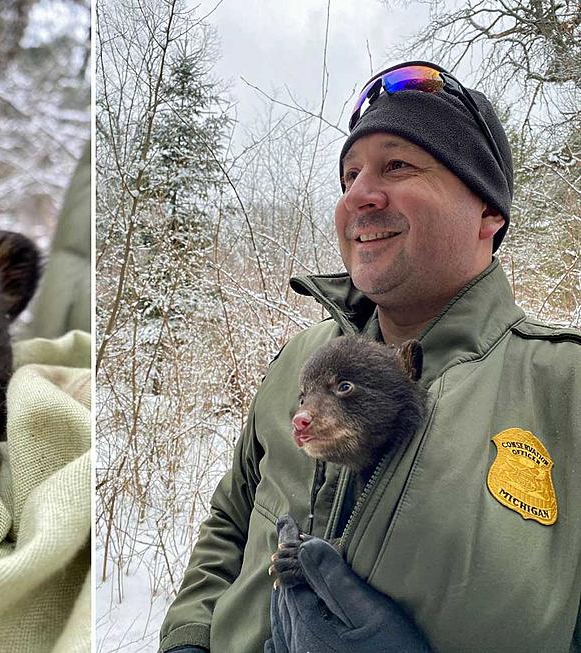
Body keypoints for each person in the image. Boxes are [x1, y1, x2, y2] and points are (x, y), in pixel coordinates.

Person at [158, 61, 581, 652]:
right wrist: (188, 640)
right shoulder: (300, 362)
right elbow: (231, 520)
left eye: (397, 165)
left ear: (489, 212)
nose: (358, 195)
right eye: (349, 174)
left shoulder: (564, 389)